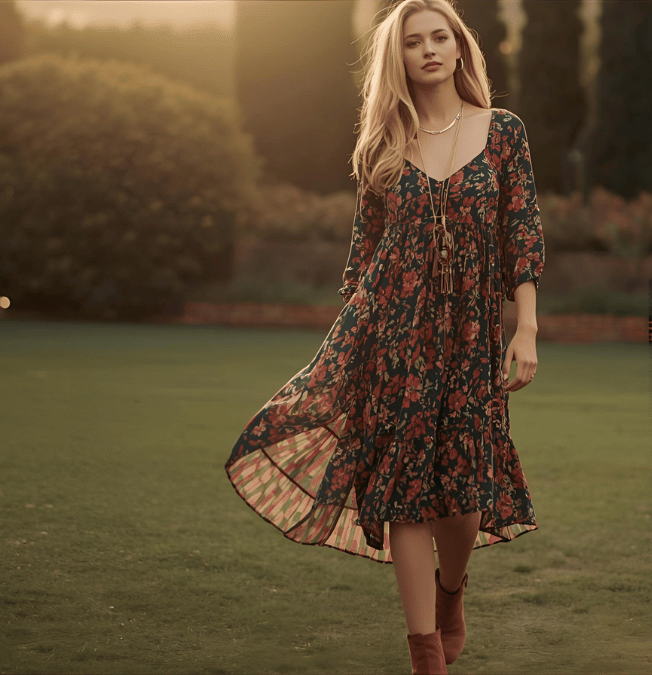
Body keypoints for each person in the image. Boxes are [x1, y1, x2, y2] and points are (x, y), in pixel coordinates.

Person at [225, 0, 543, 671]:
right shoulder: (382, 146)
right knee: (404, 490)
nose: (428, 50)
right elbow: (364, 258)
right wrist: (356, 350)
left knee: (466, 492)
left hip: (471, 334)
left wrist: (528, 327)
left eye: (440, 37)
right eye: (412, 42)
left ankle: (451, 589)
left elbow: (521, 237)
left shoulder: (504, 132)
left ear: (460, 48)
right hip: (392, 332)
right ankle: (423, 648)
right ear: (395, 58)